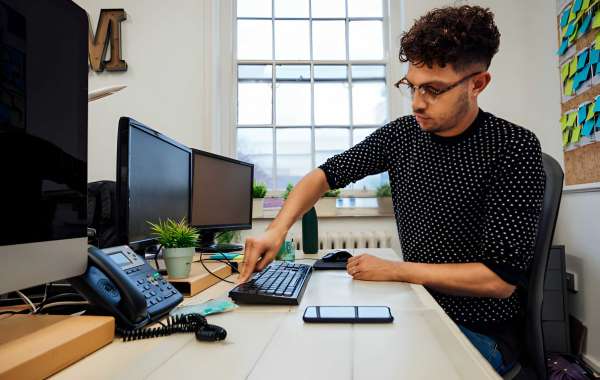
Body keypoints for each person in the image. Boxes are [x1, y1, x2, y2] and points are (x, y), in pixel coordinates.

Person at [238, 5, 545, 375]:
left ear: (477, 84)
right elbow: (323, 176)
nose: (417, 102)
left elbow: (499, 281)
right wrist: (277, 228)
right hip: (415, 303)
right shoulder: (402, 134)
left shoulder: (513, 147)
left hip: (479, 331)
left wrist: (397, 270)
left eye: (433, 89)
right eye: (411, 86)